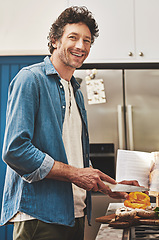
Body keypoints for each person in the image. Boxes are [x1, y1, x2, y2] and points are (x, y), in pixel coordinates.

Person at [0, 6, 139, 240]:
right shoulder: (30, 79)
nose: (81, 46)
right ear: (55, 41)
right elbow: (15, 150)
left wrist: (109, 186)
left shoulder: (76, 90)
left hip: (74, 213)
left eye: (87, 41)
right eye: (73, 37)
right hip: (40, 216)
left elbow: (74, 159)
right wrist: (75, 174)